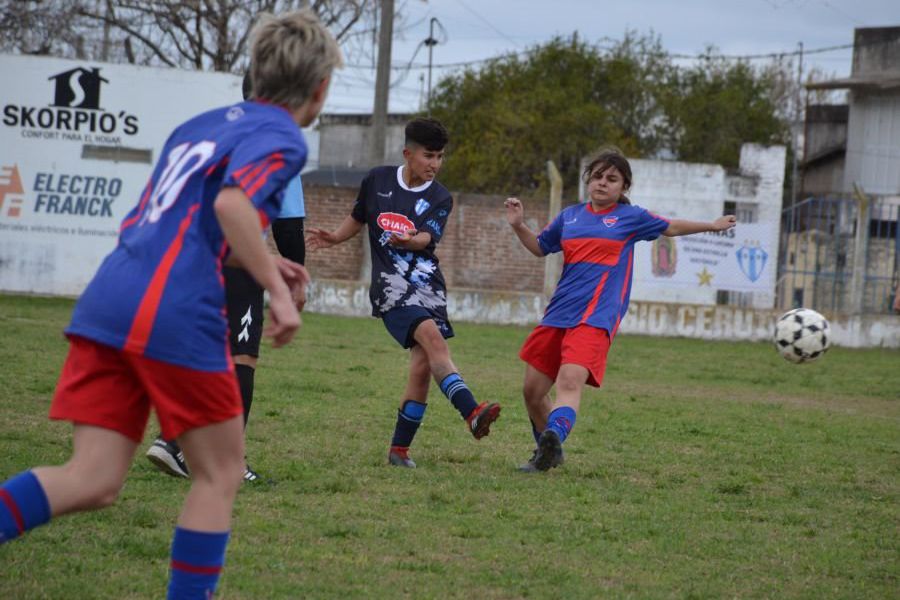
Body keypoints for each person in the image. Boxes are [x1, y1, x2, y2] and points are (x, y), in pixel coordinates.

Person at [0, 10, 341, 600]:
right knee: (220, 473)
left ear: (256, 71)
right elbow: (233, 207)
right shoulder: (284, 135)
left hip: (111, 296)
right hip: (173, 308)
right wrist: (280, 294)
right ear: (319, 89)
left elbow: (187, 222)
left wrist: (263, 262)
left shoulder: (198, 125)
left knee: (94, 478)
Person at [504, 148, 736, 472]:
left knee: (569, 382)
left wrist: (711, 225)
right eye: (597, 176)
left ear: (623, 187)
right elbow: (540, 247)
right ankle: (548, 450)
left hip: (596, 316)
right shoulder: (570, 216)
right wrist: (518, 225)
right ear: (588, 181)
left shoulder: (631, 218)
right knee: (532, 391)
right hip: (558, 313)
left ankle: (552, 438)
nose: (602, 183)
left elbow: (671, 226)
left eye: (612, 179)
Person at [306, 117, 501, 468]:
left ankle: (399, 450)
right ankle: (471, 411)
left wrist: (411, 241)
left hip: (427, 284)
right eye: (429, 156)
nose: (435, 164)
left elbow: (427, 238)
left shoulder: (440, 196)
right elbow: (359, 216)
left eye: (440, 157)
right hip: (391, 287)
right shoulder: (377, 179)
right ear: (407, 153)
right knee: (433, 341)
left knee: (423, 366)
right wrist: (335, 237)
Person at [146, 75, 310, 484]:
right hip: (234, 261)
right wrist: (294, 281)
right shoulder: (278, 144)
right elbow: (288, 227)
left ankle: (173, 440)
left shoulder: (213, 129)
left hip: (185, 259)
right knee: (241, 358)